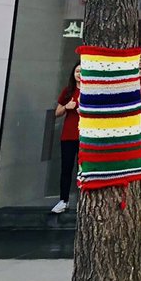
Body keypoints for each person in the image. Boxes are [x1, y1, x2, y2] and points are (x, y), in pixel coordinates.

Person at [51, 63, 81, 214]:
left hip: (85, 136)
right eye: (77, 71)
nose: (79, 74)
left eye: (82, 71)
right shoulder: (68, 91)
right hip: (68, 136)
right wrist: (67, 107)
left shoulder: (91, 91)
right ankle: (64, 200)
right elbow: (57, 112)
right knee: (66, 169)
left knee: (82, 170)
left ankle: (83, 201)